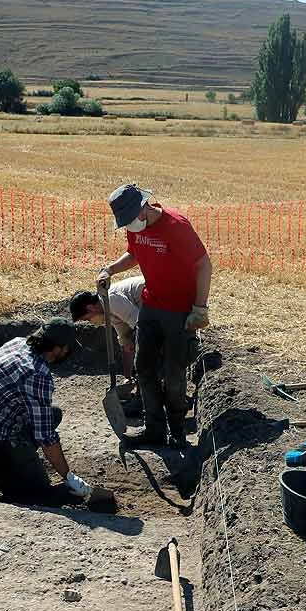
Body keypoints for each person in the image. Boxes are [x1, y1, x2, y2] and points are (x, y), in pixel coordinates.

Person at [98, 183, 212, 449]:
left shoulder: (176, 225)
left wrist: (200, 307)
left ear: (143, 208)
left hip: (180, 311)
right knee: (144, 368)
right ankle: (154, 430)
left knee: (174, 374)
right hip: (151, 306)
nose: (129, 226)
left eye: (129, 219)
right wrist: (110, 270)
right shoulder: (135, 228)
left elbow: (204, 264)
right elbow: (134, 253)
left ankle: (177, 431)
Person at [0, 318, 94, 501]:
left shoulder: (17, 343)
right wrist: (68, 476)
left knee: (53, 414)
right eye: (67, 347)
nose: (68, 352)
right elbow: (46, 437)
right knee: (39, 494)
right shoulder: (37, 374)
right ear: (56, 348)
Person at [68, 276, 144, 379]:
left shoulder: (111, 300)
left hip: (163, 295)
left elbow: (142, 327)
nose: (90, 322)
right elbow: (126, 343)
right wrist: (128, 378)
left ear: (90, 308)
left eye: (87, 319)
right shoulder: (108, 312)